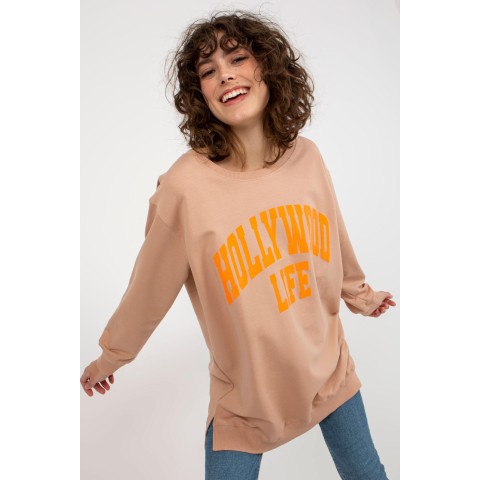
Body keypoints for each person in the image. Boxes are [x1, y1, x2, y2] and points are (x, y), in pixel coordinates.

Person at [80, 9, 396, 479]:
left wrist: (361, 296)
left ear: (267, 67)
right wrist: (111, 357)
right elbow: (148, 289)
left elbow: (334, 238)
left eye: (237, 58)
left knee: (368, 472)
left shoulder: (308, 158)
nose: (224, 74)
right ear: (201, 95)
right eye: (208, 71)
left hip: (329, 370)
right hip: (247, 401)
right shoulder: (185, 189)